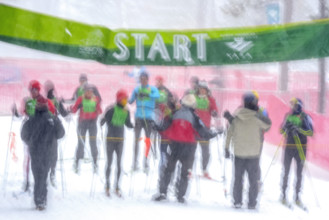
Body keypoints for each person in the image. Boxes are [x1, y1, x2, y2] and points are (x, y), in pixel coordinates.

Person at [153, 94, 219, 203]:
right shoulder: (195, 117)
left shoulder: (175, 113)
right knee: (185, 172)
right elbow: (203, 133)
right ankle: (181, 195)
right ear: (193, 105)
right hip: (189, 148)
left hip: (174, 145)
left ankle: (163, 192)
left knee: (168, 169)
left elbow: (163, 127)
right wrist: (214, 133)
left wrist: (155, 126)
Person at [224, 92, 271, 209]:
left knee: (238, 179)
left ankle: (237, 201)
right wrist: (258, 113)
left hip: (239, 153)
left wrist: (226, 148)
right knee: (253, 180)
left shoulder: (237, 115)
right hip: (253, 153)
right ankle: (251, 202)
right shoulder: (257, 116)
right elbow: (268, 125)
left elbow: (229, 132)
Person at [21, 95, 65, 210]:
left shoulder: (31, 119)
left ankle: (38, 201)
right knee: (44, 177)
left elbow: (23, 135)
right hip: (48, 153)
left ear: (36, 106)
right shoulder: (52, 119)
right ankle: (42, 202)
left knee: (37, 178)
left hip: (35, 153)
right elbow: (61, 134)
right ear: (46, 106)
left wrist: (31, 142)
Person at [12, 80, 56, 192]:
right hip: (30, 135)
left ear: (38, 90)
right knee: (28, 159)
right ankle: (27, 182)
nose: (33, 92)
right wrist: (15, 112)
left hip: (42, 136)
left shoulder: (45, 101)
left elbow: (53, 114)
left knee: (41, 160)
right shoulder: (28, 102)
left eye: (35, 90)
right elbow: (22, 115)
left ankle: (43, 182)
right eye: (31, 90)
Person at [280, 98, 313, 207]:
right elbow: (281, 130)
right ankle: (284, 194)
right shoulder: (288, 116)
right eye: (292, 105)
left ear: (299, 106)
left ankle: (297, 197)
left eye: (294, 105)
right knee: (286, 171)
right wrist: (286, 128)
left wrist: (298, 130)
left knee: (299, 173)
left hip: (301, 148)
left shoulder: (305, 117)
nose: (292, 107)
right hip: (289, 147)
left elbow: (310, 132)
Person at [100, 89, 133, 197]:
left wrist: (133, 125)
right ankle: (107, 185)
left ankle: (117, 186)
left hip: (120, 140)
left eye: (126, 99)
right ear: (119, 99)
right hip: (110, 139)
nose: (125, 101)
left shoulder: (126, 111)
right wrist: (102, 120)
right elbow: (104, 120)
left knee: (119, 164)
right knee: (109, 163)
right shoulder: (111, 109)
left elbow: (128, 124)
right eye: (124, 99)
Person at [128, 71, 160, 172]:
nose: (143, 80)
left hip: (149, 117)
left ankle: (145, 162)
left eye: (144, 79)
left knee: (147, 141)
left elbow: (157, 96)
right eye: (141, 79)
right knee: (136, 141)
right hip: (138, 116)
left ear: (147, 79)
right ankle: (134, 163)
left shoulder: (152, 89)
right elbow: (130, 101)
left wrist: (147, 93)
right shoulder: (137, 89)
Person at [70, 83, 102, 173]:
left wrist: (97, 109)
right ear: (84, 92)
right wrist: (76, 107)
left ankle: (95, 164)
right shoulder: (81, 99)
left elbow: (100, 111)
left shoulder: (95, 99)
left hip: (92, 124)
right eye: (87, 91)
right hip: (82, 124)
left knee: (93, 144)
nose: (89, 93)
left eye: (91, 92)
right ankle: (76, 163)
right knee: (81, 144)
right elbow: (74, 110)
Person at [44, 80, 69, 187]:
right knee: (45, 153)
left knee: (53, 154)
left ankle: (52, 174)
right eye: (49, 89)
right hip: (43, 129)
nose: (51, 91)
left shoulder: (55, 100)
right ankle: (45, 174)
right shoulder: (42, 100)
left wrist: (68, 111)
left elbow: (63, 113)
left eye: (52, 89)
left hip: (53, 130)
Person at [194, 80, 218, 178]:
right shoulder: (194, 98)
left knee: (205, 151)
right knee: (191, 149)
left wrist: (214, 112)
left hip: (205, 128)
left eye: (204, 89)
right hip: (194, 127)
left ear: (207, 90)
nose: (202, 91)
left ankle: (204, 170)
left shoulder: (210, 99)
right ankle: (189, 169)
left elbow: (214, 109)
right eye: (200, 89)